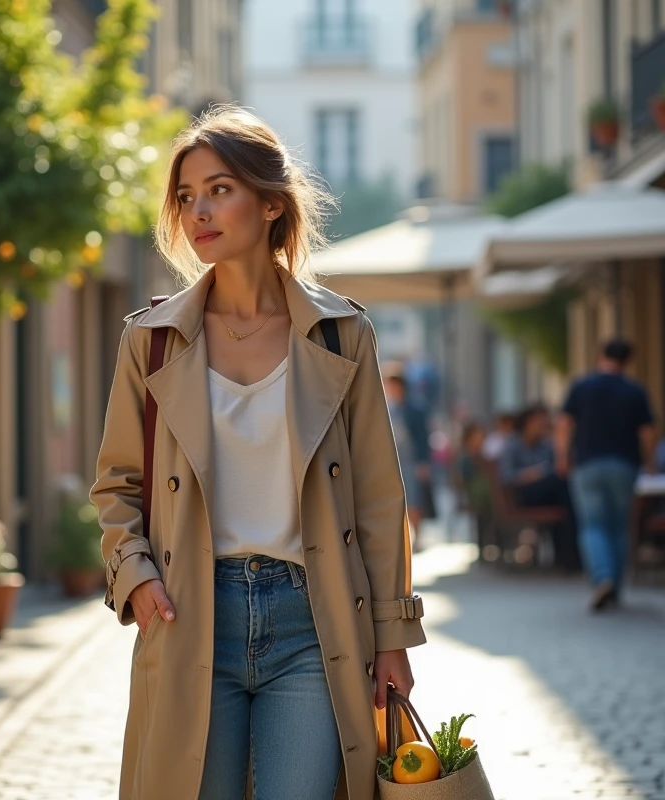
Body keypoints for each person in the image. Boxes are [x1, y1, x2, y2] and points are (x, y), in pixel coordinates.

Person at [90, 106, 425, 800]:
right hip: (189, 618)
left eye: (219, 190)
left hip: (313, 625)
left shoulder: (340, 336)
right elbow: (116, 485)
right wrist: (137, 579)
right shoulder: (150, 341)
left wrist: (392, 637)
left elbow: (379, 496)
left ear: (271, 203)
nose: (197, 212)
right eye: (185, 197)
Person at [556, 339, 656, 611]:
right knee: (619, 526)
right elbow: (647, 433)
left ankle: (603, 577)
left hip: (587, 464)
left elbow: (564, 424)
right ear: (628, 361)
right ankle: (616, 586)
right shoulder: (634, 391)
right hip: (624, 465)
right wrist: (651, 463)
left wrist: (563, 457)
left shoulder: (582, 387)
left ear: (600, 355)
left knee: (593, 526)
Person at [499, 405, 580, 572]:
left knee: (565, 494)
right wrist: (528, 475)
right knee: (562, 486)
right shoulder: (513, 445)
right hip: (523, 493)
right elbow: (506, 476)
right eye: (538, 422)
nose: (542, 426)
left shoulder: (546, 445)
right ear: (527, 424)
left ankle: (568, 558)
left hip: (549, 491)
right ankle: (569, 559)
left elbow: (557, 468)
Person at [383, 360, 432, 544]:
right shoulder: (384, 408)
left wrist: (423, 462)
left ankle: (417, 537)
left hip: (410, 460)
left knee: (413, 500)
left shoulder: (415, 409)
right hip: (390, 460)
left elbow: (422, 437)